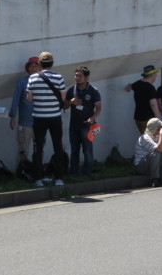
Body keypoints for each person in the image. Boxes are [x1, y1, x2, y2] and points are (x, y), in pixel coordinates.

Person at [27, 51, 67, 187]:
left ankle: (38, 179)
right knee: (58, 147)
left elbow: (29, 99)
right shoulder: (59, 78)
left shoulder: (32, 78)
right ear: (52, 63)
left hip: (38, 117)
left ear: (39, 64)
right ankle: (59, 178)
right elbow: (63, 98)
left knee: (38, 148)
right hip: (55, 116)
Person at [66, 66, 102, 176]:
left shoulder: (93, 91)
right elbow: (64, 106)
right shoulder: (72, 90)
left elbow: (99, 107)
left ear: (86, 77)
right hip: (74, 126)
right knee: (74, 150)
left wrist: (92, 118)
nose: (77, 78)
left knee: (87, 150)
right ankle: (73, 172)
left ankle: (87, 172)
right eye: (76, 75)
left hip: (87, 126)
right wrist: (71, 102)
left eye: (80, 76)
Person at [8, 56, 39, 169]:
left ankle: (37, 171)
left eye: (36, 66)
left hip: (41, 123)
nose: (34, 68)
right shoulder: (21, 82)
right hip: (25, 123)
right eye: (31, 66)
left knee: (39, 150)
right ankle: (21, 172)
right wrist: (12, 116)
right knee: (23, 149)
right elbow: (15, 99)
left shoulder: (45, 81)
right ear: (28, 68)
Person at [134, 118, 162, 187]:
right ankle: (154, 178)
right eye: (160, 127)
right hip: (141, 166)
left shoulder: (156, 136)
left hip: (151, 164)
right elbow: (159, 149)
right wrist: (161, 135)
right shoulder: (144, 138)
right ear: (156, 128)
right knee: (156, 153)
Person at [128, 65, 160, 134]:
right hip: (149, 119)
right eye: (155, 74)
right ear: (151, 75)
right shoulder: (150, 88)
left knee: (145, 139)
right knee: (153, 141)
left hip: (138, 118)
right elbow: (153, 104)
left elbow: (129, 87)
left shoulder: (137, 84)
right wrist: (158, 118)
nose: (156, 76)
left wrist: (127, 89)